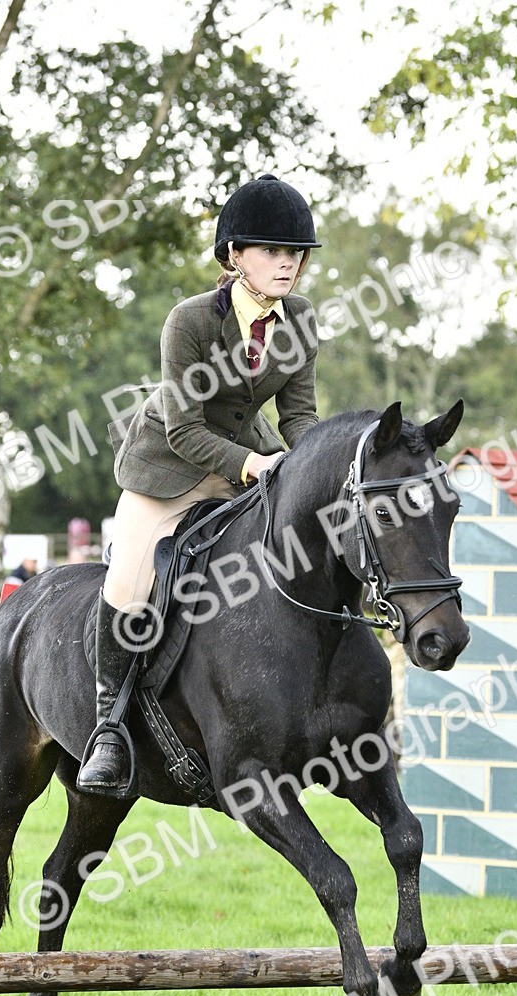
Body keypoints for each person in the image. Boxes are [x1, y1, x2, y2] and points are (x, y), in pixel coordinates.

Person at [77, 173, 322, 799]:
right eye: (272, 251)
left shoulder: (301, 322)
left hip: (253, 456)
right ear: (234, 256)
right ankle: (109, 728)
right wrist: (256, 466)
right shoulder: (188, 321)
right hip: (172, 466)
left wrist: (320, 463)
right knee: (130, 579)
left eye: (294, 253)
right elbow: (186, 430)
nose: (287, 264)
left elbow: (297, 417)